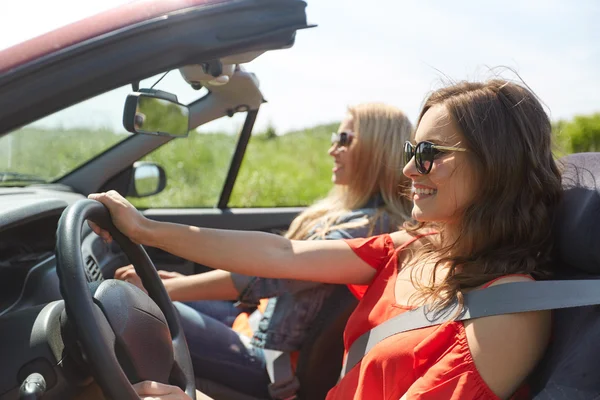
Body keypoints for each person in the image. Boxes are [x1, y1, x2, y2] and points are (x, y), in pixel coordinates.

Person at [91, 78, 563, 400]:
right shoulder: (414, 246)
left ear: (495, 164)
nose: (407, 169)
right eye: (409, 151)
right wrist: (146, 229)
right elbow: (281, 253)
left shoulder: (509, 311)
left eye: (428, 153)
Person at [114, 103, 415, 397]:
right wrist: (168, 284)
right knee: (136, 308)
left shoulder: (369, 228)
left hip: (270, 361)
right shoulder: (351, 212)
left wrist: (165, 288)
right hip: (257, 324)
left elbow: (267, 274)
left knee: (130, 313)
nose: (332, 149)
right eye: (335, 138)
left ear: (377, 149)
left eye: (345, 139)